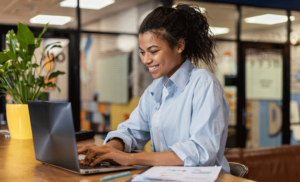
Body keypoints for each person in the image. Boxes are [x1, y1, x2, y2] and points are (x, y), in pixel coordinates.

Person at [77, 3, 230, 174]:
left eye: (153, 51)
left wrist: (130, 159)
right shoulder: (155, 89)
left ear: (179, 46)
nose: (146, 60)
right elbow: (131, 131)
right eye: (142, 52)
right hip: (166, 176)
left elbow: (201, 152)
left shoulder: (204, 84)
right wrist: (110, 149)